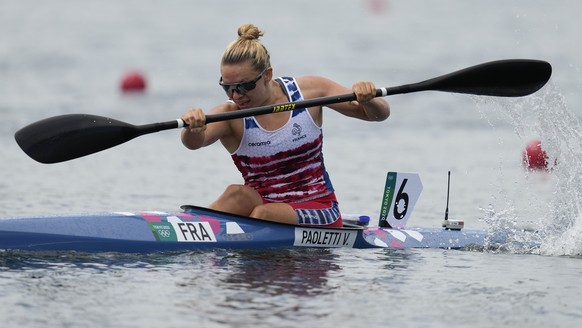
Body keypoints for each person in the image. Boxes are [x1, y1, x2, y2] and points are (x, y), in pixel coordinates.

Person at [181, 23, 390, 228]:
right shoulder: (230, 115)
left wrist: (368, 99)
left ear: (268, 75)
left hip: (319, 207)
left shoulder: (310, 92)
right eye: (228, 87)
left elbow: (378, 115)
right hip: (264, 204)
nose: (236, 95)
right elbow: (193, 143)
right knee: (237, 195)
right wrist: (193, 128)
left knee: (264, 214)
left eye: (245, 86)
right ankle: (191, 228)